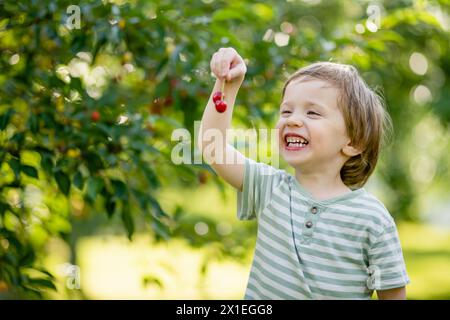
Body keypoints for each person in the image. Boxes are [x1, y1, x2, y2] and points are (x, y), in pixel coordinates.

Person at [198, 47, 409, 299]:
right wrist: (228, 86)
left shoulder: (372, 220)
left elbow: (393, 293)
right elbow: (213, 147)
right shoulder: (269, 189)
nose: (292, 120)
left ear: (354, 142)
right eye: (286, 111)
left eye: (313, 112)